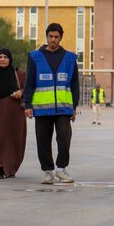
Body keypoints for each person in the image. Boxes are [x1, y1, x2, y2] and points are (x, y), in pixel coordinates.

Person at [23, 23, 79, 184]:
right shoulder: (35, 57)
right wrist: (28, 104)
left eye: (56, 37)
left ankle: (61, 169)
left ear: (61, 37)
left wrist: (74, 107)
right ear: (46, 36)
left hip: (63, 108)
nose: (53, 40)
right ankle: (48, 171)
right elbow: (29, 82)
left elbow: (74, 84)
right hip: (41, 109)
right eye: (50, 36)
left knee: (64, 138)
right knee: (43, 140)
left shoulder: (70, 58)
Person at [0, 48, 27, 179]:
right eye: (0, 57)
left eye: (5, 57)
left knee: (13, 139)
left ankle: (11, 167)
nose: (2, 59)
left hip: (14, 114)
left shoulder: (19, 73)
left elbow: (28, 88)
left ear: (10, 59)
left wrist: (21, 92)